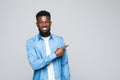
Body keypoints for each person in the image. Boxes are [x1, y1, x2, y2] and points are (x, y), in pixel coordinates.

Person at [26, 10, 70, 80]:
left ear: (50, 23)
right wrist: (55, 54)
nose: (44, 25)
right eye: (41, 22)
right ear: (37, 24)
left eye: (46, 22)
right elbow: (34, 65)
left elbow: (64, 64)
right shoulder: (31, 42)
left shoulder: (59, 40)